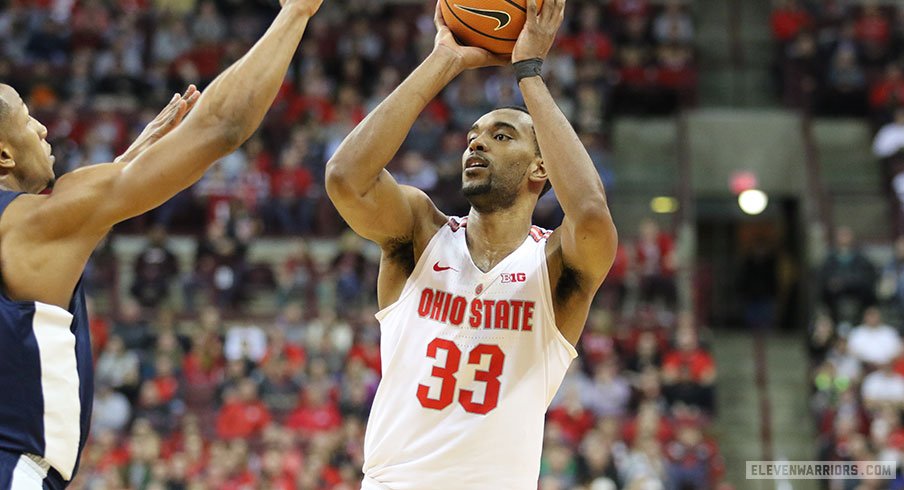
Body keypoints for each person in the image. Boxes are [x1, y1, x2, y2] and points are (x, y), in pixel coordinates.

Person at [0, 0, 323, 487]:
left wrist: (126, 165)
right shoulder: (30, 225)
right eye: (27, 119)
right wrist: (295, 13)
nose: (42, 127)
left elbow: (66, 231)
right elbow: (221, 127)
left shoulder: (37, 228)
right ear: (3, 153)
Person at [324, 0, 617, 487]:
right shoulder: (421, 232)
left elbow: (589, 212)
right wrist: (443, 59)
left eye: (502, 136)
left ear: (540, 168)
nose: (476, 144)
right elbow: (345, 179)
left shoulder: (557, 265)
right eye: (473, 136)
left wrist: (529, 73)